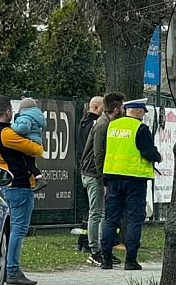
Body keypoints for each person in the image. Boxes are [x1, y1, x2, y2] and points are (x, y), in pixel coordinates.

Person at [0, 95, 45, 285]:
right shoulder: (6, 133)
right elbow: (36, 149)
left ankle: (8, 269)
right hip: (19, 185)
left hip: (5, 185)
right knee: (18, 230)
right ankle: (12, 271)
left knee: (11, 230)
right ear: (8, 112)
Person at [100, 98, 162, 270]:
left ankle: (106, 260)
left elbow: (107, 152)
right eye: (143, 113)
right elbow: (148, 152)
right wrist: (158, 157)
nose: (143, 116)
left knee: (111, 219)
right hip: (135, 180)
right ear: (139, 112)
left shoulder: (111, 127)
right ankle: (131, 261)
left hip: (113, 180)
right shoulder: (141, 129)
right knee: (134, 219)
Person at [80, 93, 124, 266]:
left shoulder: (108, 123)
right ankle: (94, 250)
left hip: (96, 173)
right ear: (115, 109)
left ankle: (104, 249)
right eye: (122, 107)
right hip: (93, 174)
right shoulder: (102, 125)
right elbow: (99, 153)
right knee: (96, 212)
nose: (124, 110)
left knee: (102, 212)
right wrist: (103, 179)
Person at [76, 96, 104, 254]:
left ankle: (82, 241)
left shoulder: (83, 123)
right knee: (95, 211)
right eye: (102, 107)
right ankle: (88, 243)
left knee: (89, 209)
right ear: (96, 108)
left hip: (84, 169)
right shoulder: (96, 124)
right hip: (91, 170)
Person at [11, 97, 47, 192]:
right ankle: (38, 179)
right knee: (30, 163)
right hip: (36, 142)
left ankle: (39, 178)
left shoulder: (25, 116)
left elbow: (23, 129)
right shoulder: (36, 116)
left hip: (29, 142)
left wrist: (12, 126)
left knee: (27, 163)